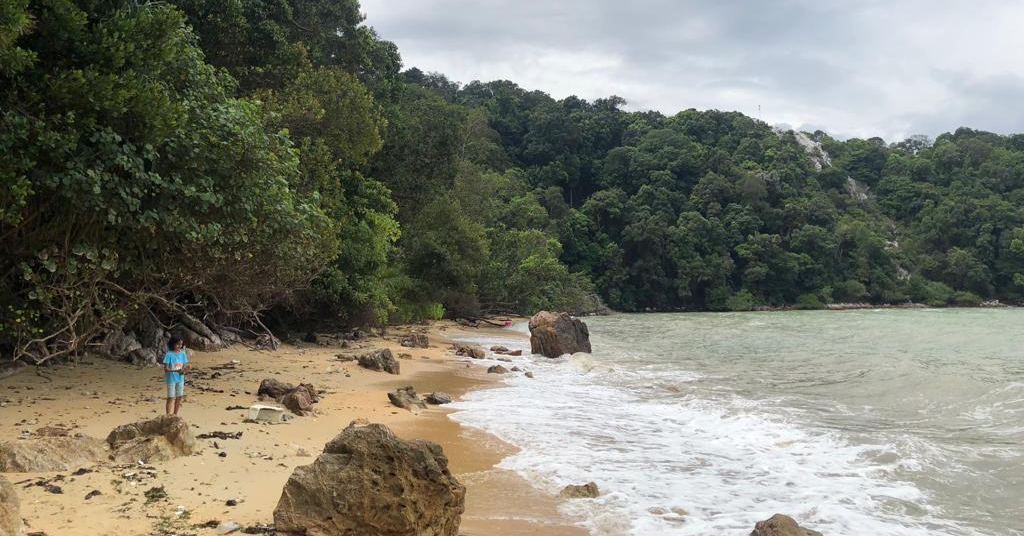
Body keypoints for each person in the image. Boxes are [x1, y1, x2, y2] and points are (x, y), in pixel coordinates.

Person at [162, 336, 190, 415]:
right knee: (170, 397)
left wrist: (185, 369)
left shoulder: (183, 354)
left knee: (179, 397)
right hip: (171, 379)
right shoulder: (169, 354)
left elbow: (184, 365)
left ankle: (175, 414)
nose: (179, 346)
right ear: (173, 344)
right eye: (177, 344)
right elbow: (166, 369)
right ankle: (168, 415)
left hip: (180, 378)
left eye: (181, 344)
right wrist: (175, 370)